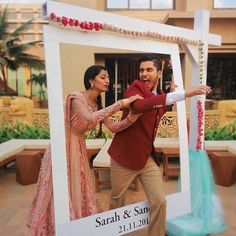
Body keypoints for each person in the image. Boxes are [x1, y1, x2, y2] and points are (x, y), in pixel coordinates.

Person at [27, 65, 142, 236]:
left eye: (108, 77)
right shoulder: (76, 98)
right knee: (61, 185)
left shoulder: (97, 103)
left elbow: (114, 128)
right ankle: (56, 224)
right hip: (64, 145)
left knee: (77, 184)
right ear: (90, 80)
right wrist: (121, 103)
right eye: (103, 77)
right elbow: (90, 118)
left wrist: (132, 117)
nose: (107, 80)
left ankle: (76, 220)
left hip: (78, 145)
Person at [108, 55, 212, 236]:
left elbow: (159, 109)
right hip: (123, 156)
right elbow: (140, 106)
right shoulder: (135, 88)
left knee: (159, 201)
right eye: (142, 70)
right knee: (117, 202)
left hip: (147, 158)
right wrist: (183, 93)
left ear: (159, 72)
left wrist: (171, 96)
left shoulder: (158, 94)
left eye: (149, 70)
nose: (144, 74)